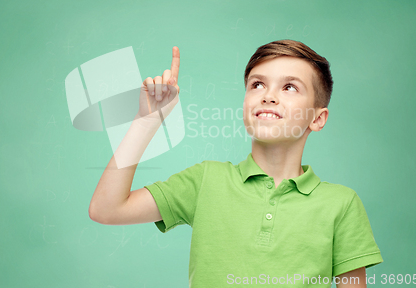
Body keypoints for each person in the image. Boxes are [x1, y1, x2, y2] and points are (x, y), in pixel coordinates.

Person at [88, 40, 383, 288]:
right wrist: (146, 122)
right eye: (257, 85)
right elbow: (107, 209)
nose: (268, 96)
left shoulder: (341, 205)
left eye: (289, 88)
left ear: (317, 118)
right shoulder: (206, 180)